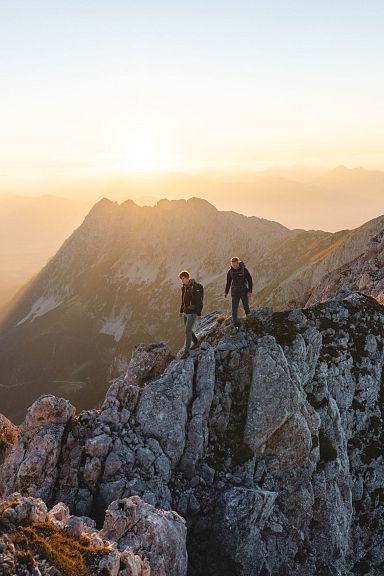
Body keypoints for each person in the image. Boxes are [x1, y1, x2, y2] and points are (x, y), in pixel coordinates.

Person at [178, 270, 203, 358]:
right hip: (185, 312)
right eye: (181, 279)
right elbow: (183, 300)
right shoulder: (184, 287)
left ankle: (186, 352)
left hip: (192, 313)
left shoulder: (194, 287)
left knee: (187, 331)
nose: (182, 280)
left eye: (183, 278)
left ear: (188, 278)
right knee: (188, 330)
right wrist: (181, 311)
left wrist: (199, 313)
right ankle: (196, 342)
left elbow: (199, 302)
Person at [224, 257, 253, 333]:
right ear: (231, 264)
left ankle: (248, 318)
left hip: (243, 290)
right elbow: (228, 282)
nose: (234, 266)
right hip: (235, 292)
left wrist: (250, 291)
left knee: (246, 306)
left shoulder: (244, 270)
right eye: (233, 265)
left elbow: (250, 280)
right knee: (234, 309)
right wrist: (226, 292)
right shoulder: (230, 272)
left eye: (236, 265)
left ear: (238, 263)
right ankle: (236, 326)